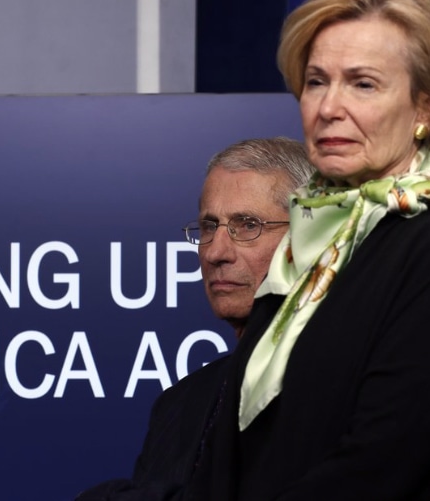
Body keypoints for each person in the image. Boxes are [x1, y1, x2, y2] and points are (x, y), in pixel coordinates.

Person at [186, 0, 430, 501]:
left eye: (362, 84)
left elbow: (383, 463)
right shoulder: (308, 241)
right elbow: (236, 452)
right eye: (316, 81)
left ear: (426, 109)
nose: (329, 107)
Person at [75, 137, 313, 500]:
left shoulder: (344, 385)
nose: (216, 252)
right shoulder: (179, 404)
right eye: (208, 226)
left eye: (247, 225)